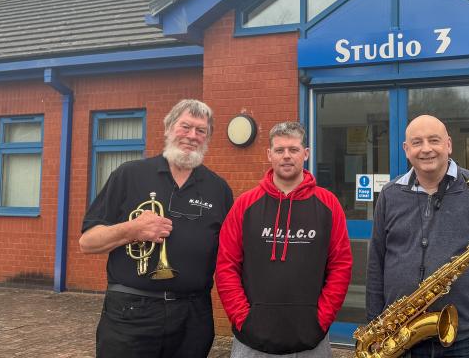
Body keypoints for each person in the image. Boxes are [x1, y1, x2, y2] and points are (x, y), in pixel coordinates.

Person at [79, 99, 234, 358]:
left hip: (193, 316)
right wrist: (132, 229)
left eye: (201, 131)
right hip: (131, 312)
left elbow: (231, 254)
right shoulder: (129, 174)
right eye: (185, 127)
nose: (192, 136)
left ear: (208, 138)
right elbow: (87, 242)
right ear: (168, 128)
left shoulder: (218, 188)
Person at [366, 115, 469, 358]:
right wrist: (374, 328)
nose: (426, 149)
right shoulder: (390, 194)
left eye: (434, 140)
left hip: (464, 338)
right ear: (406, 149)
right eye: (417, 142)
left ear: (448, 145)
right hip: (398, 337)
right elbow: (376, 264)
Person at [215, 121, 352, 357]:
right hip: (251, 342)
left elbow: (341, 265)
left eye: (294, 149)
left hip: (312, 341)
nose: (286, 156)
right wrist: (242, 318)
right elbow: (226, 265)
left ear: (305, 154)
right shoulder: (245, 205)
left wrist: (321, 319)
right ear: (269, 154)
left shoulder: (328, 204)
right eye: (280, 150)